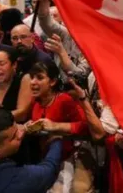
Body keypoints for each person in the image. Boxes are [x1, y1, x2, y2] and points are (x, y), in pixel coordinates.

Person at [25, 62, 87, 191]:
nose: (33, 82)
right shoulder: (36, 103)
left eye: (39, 78)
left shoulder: (63, 100)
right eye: (32, 77)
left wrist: (55, 126)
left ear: (52, 82)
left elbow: (84, 127)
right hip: (44, 158)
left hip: (67, 157)